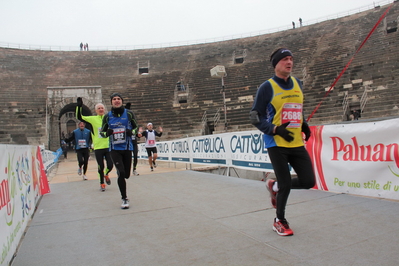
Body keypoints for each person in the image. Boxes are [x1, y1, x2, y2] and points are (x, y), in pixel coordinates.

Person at [250, 47, 315, 236]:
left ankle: (274, 186)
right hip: (276, 142)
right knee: (286, 182)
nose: (289, 62)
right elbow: (255, 117)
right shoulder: (267, 87)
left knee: (309, 181)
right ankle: (279, 220)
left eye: (291, 59)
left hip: (295, 142)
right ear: (276, 64)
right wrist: (275, 129)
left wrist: (304, 124)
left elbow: (297, 108)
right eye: (285, 59)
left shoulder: (298, 83)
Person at [100, 93, 138, 209]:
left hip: (127, 148)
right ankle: (124, 198)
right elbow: (102, 133)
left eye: (118, 99)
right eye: (114, 99)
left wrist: (131, 132)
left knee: (126, 174)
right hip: (114, 149)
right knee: (121, 173)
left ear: (122, 101)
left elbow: (136, 127)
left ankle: (122, 173)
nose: (116, 101)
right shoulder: (107, 116)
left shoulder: (129, 114)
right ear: (111, 102)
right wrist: (108, 133)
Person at [76, 97, 113, 192]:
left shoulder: (108, 118)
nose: (101, 109)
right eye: (99, 108)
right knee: (100, 166)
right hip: (98, 147)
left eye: (102, 108)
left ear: (104, 109)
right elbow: (79, 117)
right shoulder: (92, 119)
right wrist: (79, 107)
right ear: (96, 110)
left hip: (108, 146)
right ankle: (102, 183)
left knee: (110, 165)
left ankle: (106, 174)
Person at [125, 103, 140, 176]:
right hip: (127, 142)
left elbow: (137, 132)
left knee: (135, 156)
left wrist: (138, 134)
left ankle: (134, 169)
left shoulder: (134, 123)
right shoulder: (124, 123)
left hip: (134, 142)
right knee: (128, 158)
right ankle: (127, 169)